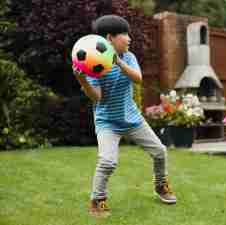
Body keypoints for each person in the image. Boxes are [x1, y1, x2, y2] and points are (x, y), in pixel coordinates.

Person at [73, 15, 176, 217]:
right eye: (125, 34)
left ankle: (160, 186)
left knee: (160, 151)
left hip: (132, 119)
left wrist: (118, 62)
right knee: (107, 162)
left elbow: (138, 79)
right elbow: (97, 97)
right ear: (110, 38)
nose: (129, 38)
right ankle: (98, 201)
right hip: (107, 123)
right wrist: (82, 79)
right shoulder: (94, 65)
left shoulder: (128, 57)